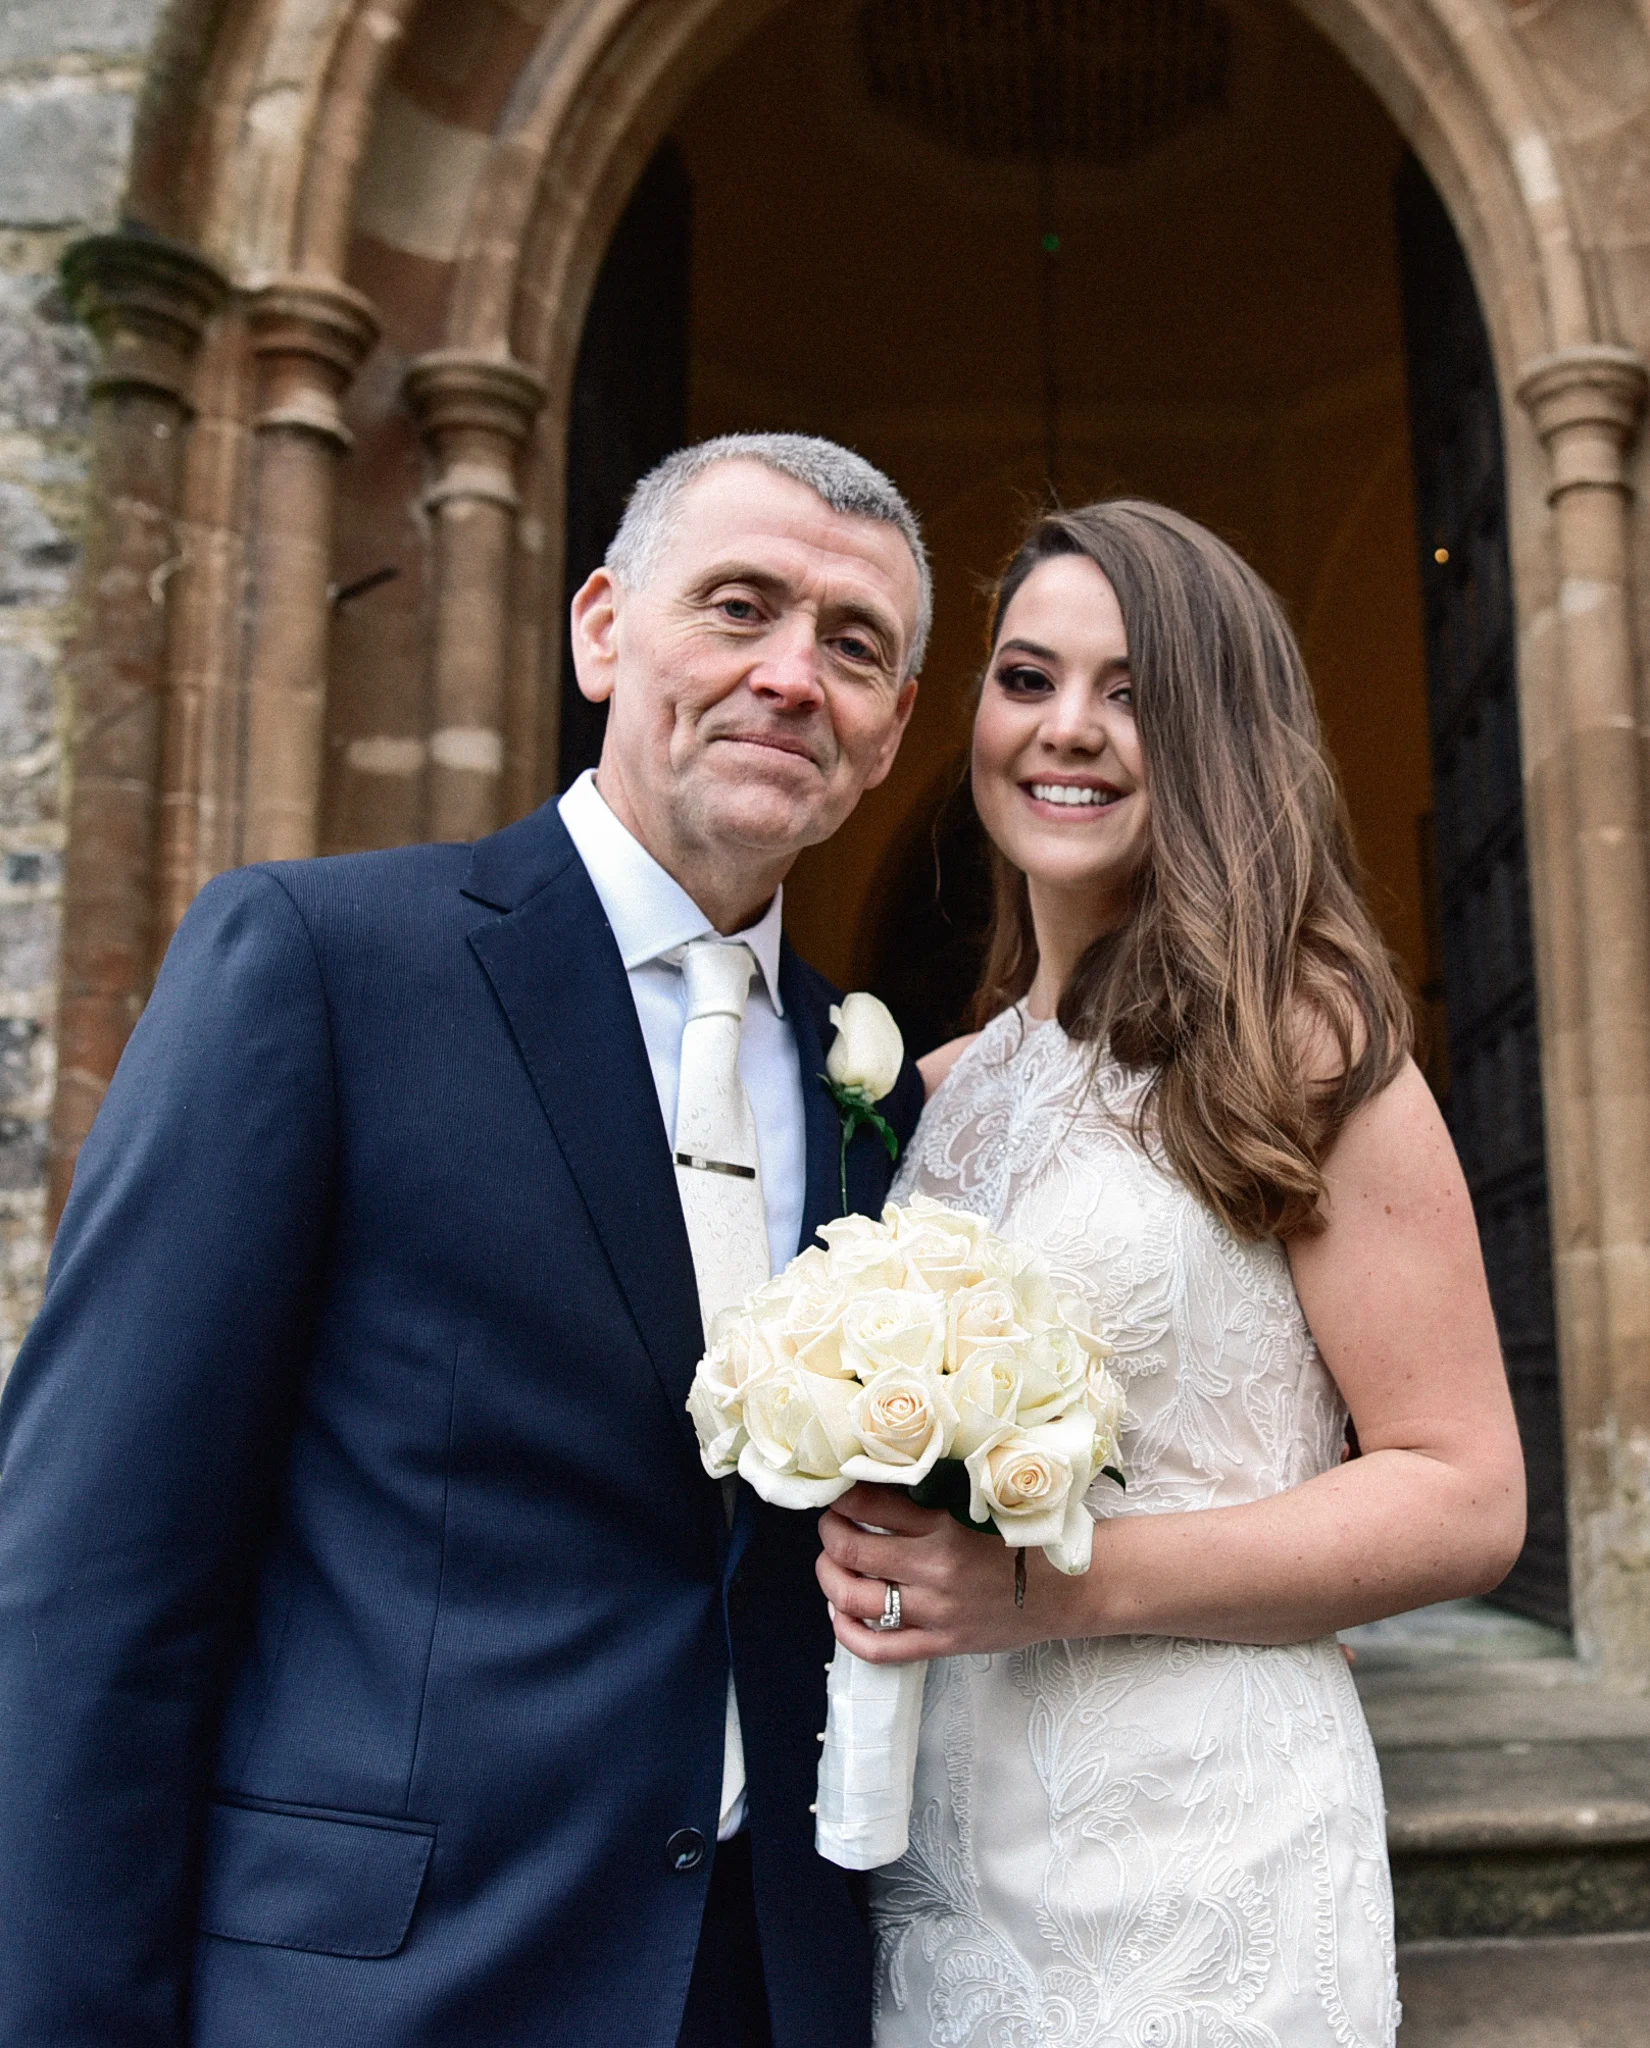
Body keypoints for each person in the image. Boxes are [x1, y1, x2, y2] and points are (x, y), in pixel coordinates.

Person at [0, 433, 929, 2048]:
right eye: (738, 607)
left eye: (853, 646)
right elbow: (90, 1576)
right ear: (600, 631)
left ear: (890, 729)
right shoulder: (319, 963)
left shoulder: (871, 1080)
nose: (792, 675)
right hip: (385, 1989)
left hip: (761, 1985)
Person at [813, 501, 1527, 2046]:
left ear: (1219, 730)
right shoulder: (937, 1093)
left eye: (1131, 690)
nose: (1066, 729)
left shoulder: (1301, 1042)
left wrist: (1045, 1588)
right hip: (946, 1859)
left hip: (1203, 1859)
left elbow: (1465, 1491)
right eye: (1025, 678)